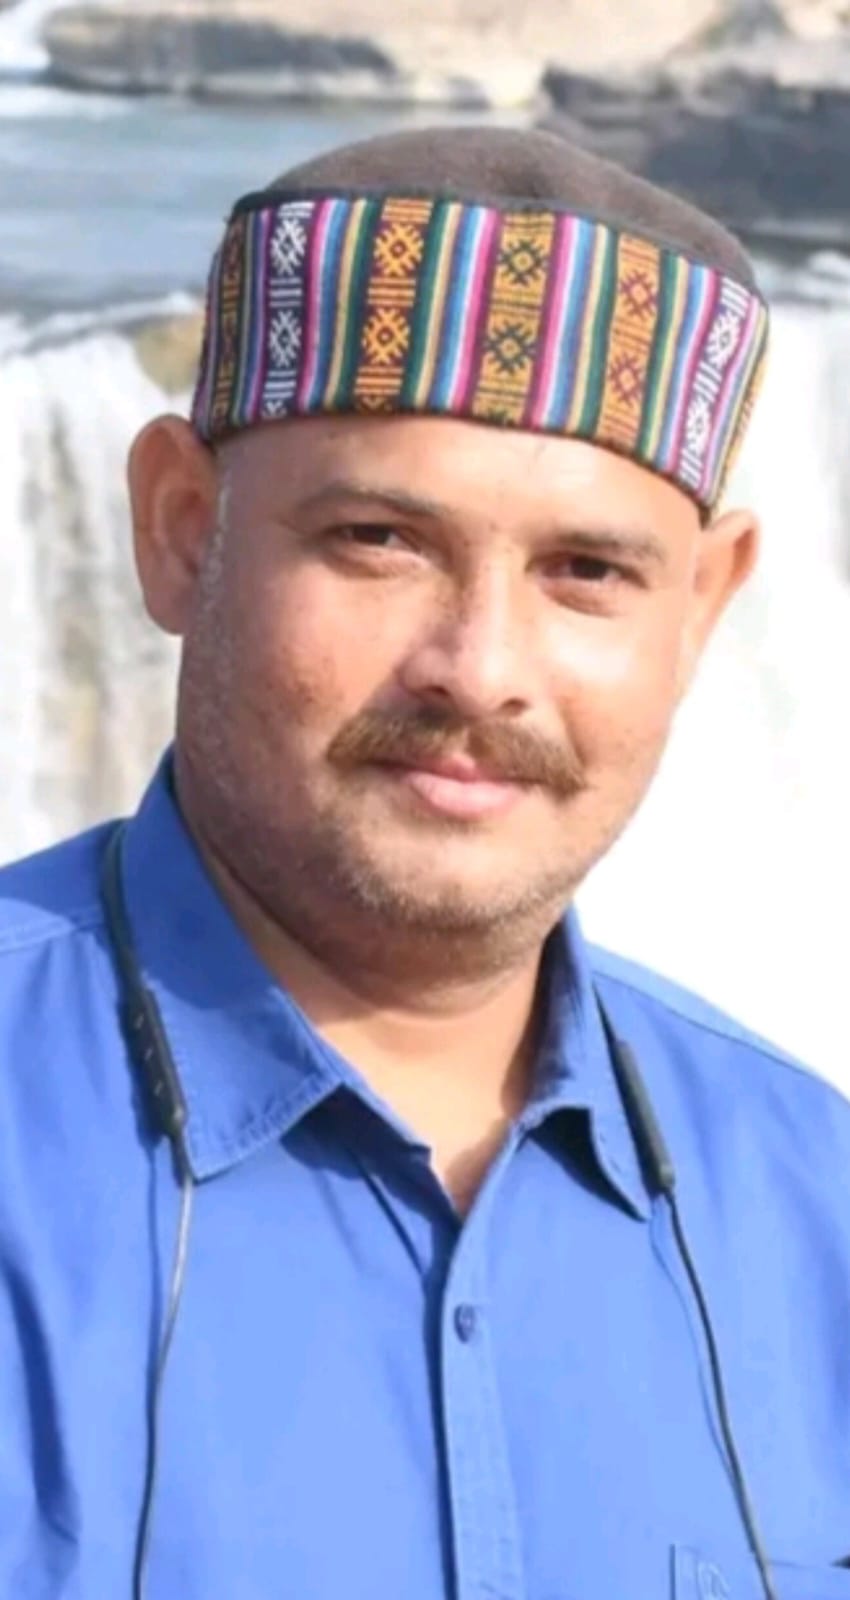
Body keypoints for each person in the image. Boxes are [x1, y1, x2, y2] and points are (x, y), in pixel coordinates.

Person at [1, 123, 848, 1600]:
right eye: (380, 539)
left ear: (702, 611)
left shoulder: (812, 1202)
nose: (480, 669)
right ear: (183, 532)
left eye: (587, 571)